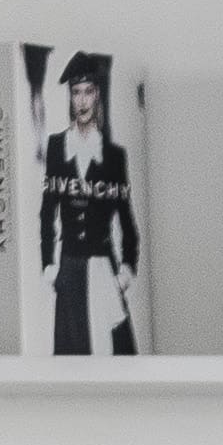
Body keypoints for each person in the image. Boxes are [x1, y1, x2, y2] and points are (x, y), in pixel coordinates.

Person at [37, 54, 142, 356]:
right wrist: (49, 265)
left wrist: (125, 271)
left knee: (115, 357)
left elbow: (127, 220)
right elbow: (47, 211)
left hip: (103, 269)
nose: (82, 101)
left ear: (97, 95)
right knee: (73, 361)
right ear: (70, 97)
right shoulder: (57, 147)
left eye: (88, 92)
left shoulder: (114, 156)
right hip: (70, 269)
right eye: (76, 92)